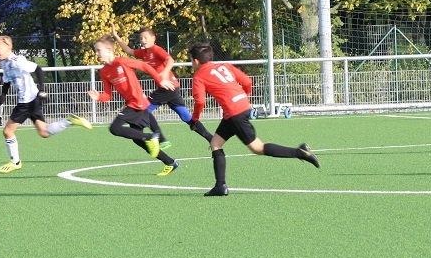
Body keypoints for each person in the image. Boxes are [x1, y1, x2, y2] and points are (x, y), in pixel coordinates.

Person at [189, 42, 319, 197]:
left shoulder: (199, 76)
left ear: (196, 61)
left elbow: (200, 101)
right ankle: (220, 186)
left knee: (257, 148)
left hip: (234, 113)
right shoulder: (224, 66)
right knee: (215, 143)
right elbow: (247, 82)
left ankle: (300, 152)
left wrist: (195, 119)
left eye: (191, 60)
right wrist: (244, 97)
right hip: (238, 109)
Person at [0, 35, 92, 173]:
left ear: (9, 47)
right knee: (44, 132)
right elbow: (7, 81)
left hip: (27, 102)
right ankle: (70, 120)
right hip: (32, 100)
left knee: (7, 131)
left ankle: (15, 162)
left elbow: (38, 69)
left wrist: (42, 90)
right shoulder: (4, 63)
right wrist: (2, 98)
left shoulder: (17, 61)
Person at [88, 36, 180, 176]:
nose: (96, 53)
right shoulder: (104, 71)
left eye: (98, 50)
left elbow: (145, 66)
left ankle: (152, 136)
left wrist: (160, 80)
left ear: (109, 50)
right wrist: (98, 97)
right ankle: (170, 162)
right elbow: (108, 95)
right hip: (133, 105)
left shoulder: (122, 62)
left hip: (138, 103)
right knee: (138, 140)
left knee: (115, 128)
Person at [114, 24, 214, 149]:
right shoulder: (144, 53)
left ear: (153, 38)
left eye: (145, 38)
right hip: (172, 88)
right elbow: (128, 51)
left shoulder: (156, 50)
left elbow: (170, 60)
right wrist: (116, 36)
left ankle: (159, 139)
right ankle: (211, 139)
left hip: (167, 87)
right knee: (186, 117)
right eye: (141, 38)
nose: (143, 40)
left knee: (143, 109)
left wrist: (165, 72)